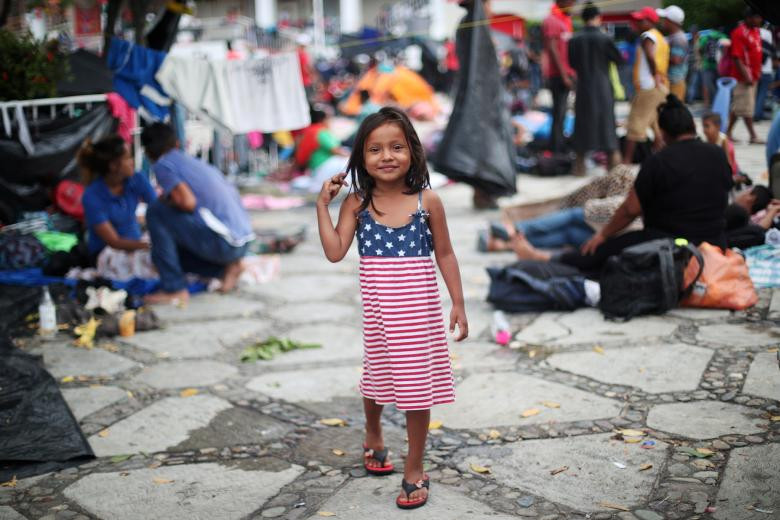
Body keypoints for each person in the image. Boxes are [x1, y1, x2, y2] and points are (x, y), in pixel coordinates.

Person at [316, 107, 467, 510]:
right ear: (360, 158)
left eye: (397, 147)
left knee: (418, 391)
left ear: (413, 152)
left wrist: (458, 303)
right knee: (377, 382)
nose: (386, 156)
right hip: (381, 320)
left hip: (420, 320)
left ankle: (414, 467)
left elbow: (446, 254)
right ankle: (374, 433)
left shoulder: (427, 201)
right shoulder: (357, 203)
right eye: (375, 149)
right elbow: (334, 253)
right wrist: (322, 206)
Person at [513, 95, 733, 276]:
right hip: (713, 243)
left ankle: (541, 256)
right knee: (577, 230)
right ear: (692, 127)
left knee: (599, 250)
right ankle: (517, 239)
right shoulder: (717, 154)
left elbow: (630, 210)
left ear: (664, 134)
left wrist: (603, 236)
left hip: (668, 244)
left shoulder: (659, 162)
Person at [141, 123, 254, 304]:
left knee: (156, 211)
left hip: (225, 243)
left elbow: (187, 202)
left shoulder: (164, 164)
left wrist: (166, 201)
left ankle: (174, 288)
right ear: (177, 143)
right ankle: (226, 269)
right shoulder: (191, 162)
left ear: (147, 152)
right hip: (243, 241)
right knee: (162, 253)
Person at [78, 135, 158, 279]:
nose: (132, 162)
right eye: (127, 158)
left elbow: (158, 208)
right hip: (106, 253)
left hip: (137, 245)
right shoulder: (92, 196)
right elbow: (113, 242)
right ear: (113, 165)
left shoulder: (136, 179)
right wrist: (149, 246)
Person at [568, 2, 623, 174]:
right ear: (598, 17)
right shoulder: (605, 37)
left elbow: (572, 63)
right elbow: (618, 59)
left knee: (582, 125)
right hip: (603, 87)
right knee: (607, 126)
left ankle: (579, 168)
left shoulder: (574, 39)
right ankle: (614, 168)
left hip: (583, 86)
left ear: (583, 19)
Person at [623, 7, 669, 164]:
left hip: (648, 87)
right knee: (654, 124)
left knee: (635, 123)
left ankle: (626, 162)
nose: (636, 23)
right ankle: (663, 156)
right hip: (658, 86)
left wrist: (654, 73)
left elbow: (650, 56)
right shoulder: (660, 37)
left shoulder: (647, 36)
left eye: (640, 20)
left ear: (649, 21)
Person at [542, 0, 576, 154]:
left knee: (562, 114)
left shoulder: (565, 19)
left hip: (566, 73)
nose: (573, 4)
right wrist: (564, 75)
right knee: (559, 113)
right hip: (558, 75)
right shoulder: (552, 20)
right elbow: (553, 49)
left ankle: (559, 145)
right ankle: (556, 149)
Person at [727, 8, 765, 144]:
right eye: (757, 17)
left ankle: (728, 132)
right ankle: (753, 135)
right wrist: (747, 76)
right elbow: (736, 57)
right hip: (743, 77)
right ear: (749, 18)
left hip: (753, 76)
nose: (760, 20)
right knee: (746, 107)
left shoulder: (755, 31)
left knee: (738, 107)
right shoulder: (739, 33)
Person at [293, 106, 350, 193]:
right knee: (348, 160)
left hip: (313, 169)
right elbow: (336, 150)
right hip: (322, 168)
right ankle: (347, 188)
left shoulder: (307, 131)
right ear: (323, 119)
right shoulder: (320, 131)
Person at [658, 5, 688, 102]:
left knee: (674, 113)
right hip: (671, 81)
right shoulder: (673, 37)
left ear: (671, 21)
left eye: (665, 19)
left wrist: (658, 57)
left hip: (675, 82)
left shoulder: (679, 39)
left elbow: (676, 59)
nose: (662, 22)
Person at [701, 112, 739, 178]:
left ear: (717, 127)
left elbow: (728, 161)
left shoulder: (723, 140)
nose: (704, 130)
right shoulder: (704, 140)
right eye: (703, 126)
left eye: (707, 126)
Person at [697, 28, 728, 106]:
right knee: (720, 85)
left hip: (707, 65)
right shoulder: (723, 36)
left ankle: (708, 104)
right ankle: (720, 103)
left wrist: (703, 57)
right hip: (721, 66)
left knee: (707, 85)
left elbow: (699, 49)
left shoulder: (706, 37)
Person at [754, 23, 775, 122]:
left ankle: (754, 112)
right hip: (766, 69)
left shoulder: (751, 32)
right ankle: (757, 114)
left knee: (755, 93)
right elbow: (771, 49)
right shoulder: (768, 33)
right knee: (762, 94)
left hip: (754, 69)